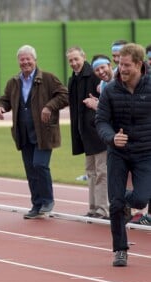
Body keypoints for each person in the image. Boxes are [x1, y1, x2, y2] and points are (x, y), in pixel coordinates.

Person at [0, 45, 69, 219]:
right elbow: (5, 99)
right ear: (18, 62)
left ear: (35, 60)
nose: (25, 62)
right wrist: (0, 107)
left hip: (44, 132)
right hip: (23, 133)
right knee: (30, 169)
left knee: (40, 165)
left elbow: (64, 95)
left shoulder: (48, 78)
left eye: (28, 58)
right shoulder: (14, 82)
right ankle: (36, 205)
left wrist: (49, 107)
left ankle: (47, 201)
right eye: (22, 59)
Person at [95, 43, 151, 267]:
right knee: (116, 204)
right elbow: (101, 121)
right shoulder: (110, 89)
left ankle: (123, 198)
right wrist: (111, 138)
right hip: (118, 153)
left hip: (145, 153)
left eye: (126, 65)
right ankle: (120, 249)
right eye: (119, 64)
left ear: (139, 64)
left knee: (140, 198)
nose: (122, 69)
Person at [66, 46, 109, 219]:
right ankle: (93, 207)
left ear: (83, 57)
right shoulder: (73, 79)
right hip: (84, 132)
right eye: (70, 60)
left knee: (102, 172)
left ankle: (104, 208)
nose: (74, 63)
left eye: (76, 59)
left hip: (97, 131)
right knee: (90, 171)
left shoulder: (94, 75)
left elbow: (105, 100)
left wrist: (96, 106)